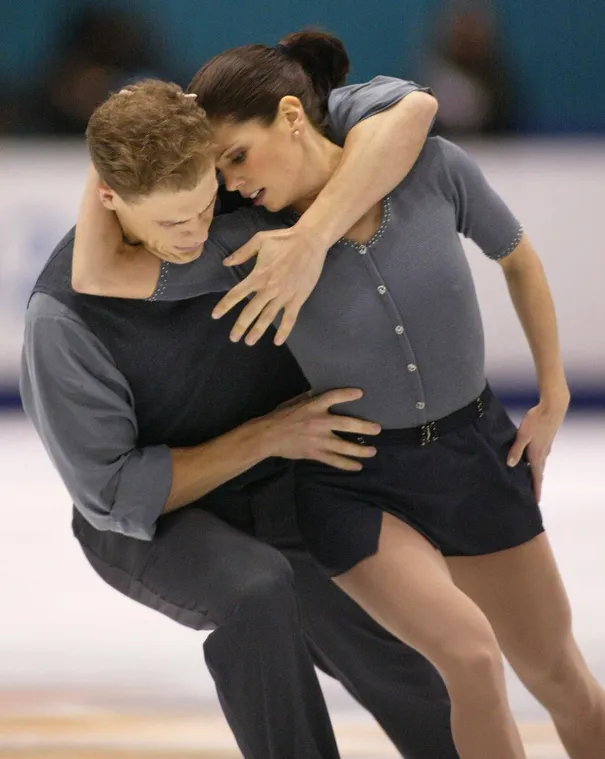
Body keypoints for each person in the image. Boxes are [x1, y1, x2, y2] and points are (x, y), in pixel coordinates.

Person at [72, 30, 605, 759]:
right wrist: (123, 127)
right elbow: (100, 274)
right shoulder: (243, 243)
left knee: (560, 674)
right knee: (471, 658)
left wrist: (551, 390)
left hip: (475, 454)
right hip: (354, 485)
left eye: (235, 156)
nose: (229, 184)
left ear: (291, 116)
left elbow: (515, 255)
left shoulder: (427, 169)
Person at [18, 72, 463, 759]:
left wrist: (312, 233)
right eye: (171, 222)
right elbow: (111, 494)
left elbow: (409, 107)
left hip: (280, 484)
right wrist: (268, 435)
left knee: (407, 635)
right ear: (108, 198)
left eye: (203, 206)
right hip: (153, 520)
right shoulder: (63, 320)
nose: (198, 232)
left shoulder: (241, 192)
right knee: (255, 592)